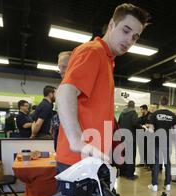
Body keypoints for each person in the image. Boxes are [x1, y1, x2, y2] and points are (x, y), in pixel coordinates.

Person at [55, 3, 150, 182]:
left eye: (135, 37)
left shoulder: (107, 61)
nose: (130, 40)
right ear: (112, 25)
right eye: (126, 31)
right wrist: (77, 140)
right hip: (77, 162)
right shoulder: (93, 51)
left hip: (93, 159)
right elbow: (65, 92)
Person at [147, 100, 176, 192]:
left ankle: (155, 185)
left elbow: (151, 130)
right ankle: (168, 184)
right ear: (168, 103)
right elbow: (175, 130)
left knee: (156, 162)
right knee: (167, 162)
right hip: (167, 141)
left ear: (160, 103)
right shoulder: (173, 115)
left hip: (157, 141)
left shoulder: (155, 114)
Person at [51, 51, 72, 151]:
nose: (61, 71)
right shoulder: (63, 86)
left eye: (64, 67)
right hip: (63, 141)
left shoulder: (75, 86)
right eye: (59, 68)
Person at [118, 100, 139, 179]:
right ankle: (130, 175)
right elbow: (135, 123)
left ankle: (123, 172)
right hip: (131, 138)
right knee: (131, 156)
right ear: (133, 106)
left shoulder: (122, 113)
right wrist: (142, 127)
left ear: (127, 105)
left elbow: (118, 124)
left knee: (124, 154)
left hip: (122, 137)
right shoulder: (133, 113)